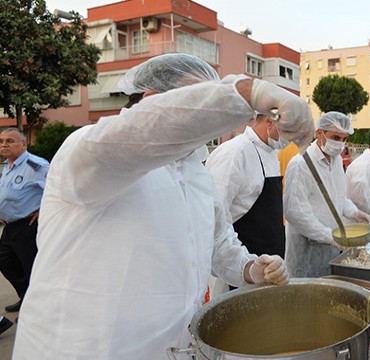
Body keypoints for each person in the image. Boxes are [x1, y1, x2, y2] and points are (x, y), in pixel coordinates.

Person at [13, 53, 313, 359]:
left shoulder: (197, 173)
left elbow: (218, 245)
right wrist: (247, 93)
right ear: (152, 99)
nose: (208, 110)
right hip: (84, 349)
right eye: (197, 98)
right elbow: (141, 132)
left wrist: (251, 268)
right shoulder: (89, 149)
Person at [283, 112, 370, 277]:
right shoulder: (300, 165)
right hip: (307, 251)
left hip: (332, 249)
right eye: (335, 137)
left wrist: (355, 213)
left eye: (344, 138)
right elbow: (295, 213)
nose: (340, 143)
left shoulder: (336, 160)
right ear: (320, 133)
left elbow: (339, 198)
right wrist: (330, 237)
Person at [206, 114, 287, 258]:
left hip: (270, 259)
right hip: (243, 261)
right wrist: (243, 264)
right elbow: (215, 217)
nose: (291, 136)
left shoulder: (272, 152)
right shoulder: (234, 152)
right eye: (289, 129)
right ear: (269, 121)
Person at [0, 128, 49, 314]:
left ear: (23, 144)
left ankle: (36, 311)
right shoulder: (8, 165)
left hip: (27, 227)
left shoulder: (36, 166)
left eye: (10, 141)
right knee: (5, 261)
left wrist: (42, 210)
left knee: (31, 268)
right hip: (10, 226)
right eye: (1, 141)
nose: (4, 144)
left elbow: (58, 189)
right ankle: (26, 297)